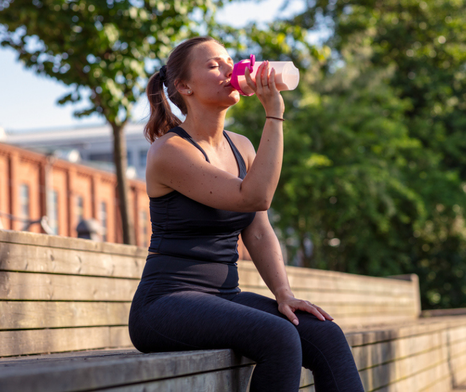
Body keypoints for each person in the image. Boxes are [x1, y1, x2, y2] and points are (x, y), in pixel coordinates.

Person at [128, 36, 365, 392]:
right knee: (280, 337)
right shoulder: (170, 151)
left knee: (324, 334)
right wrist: (274, 113)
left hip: (225, 297)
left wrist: (284, 293)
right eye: (213, 65)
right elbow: (254, 196)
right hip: (165, 303)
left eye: (229, 61)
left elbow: (258, 231)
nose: (229, 69)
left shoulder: (241, 146)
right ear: (184, 86)